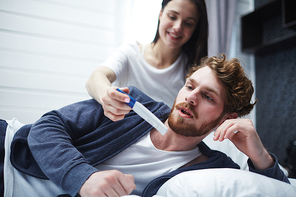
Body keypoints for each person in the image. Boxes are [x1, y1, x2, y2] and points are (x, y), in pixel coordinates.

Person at [4, 54, 289, 197]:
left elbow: (275, 192)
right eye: (190, 86)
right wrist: (83, 177)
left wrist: (261, 158)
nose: (190, 97)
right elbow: (46, 127)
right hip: (9, 153)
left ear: (227, 118)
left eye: (207, 96)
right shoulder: (134, 105)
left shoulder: (214, 168)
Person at [86, 0, 208, 121]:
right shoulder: (131, 53)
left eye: (188, 23)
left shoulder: (193, 71)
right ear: (161, 14)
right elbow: (96, 78)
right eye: (172, 17)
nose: (177, 27)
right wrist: (106, 94)